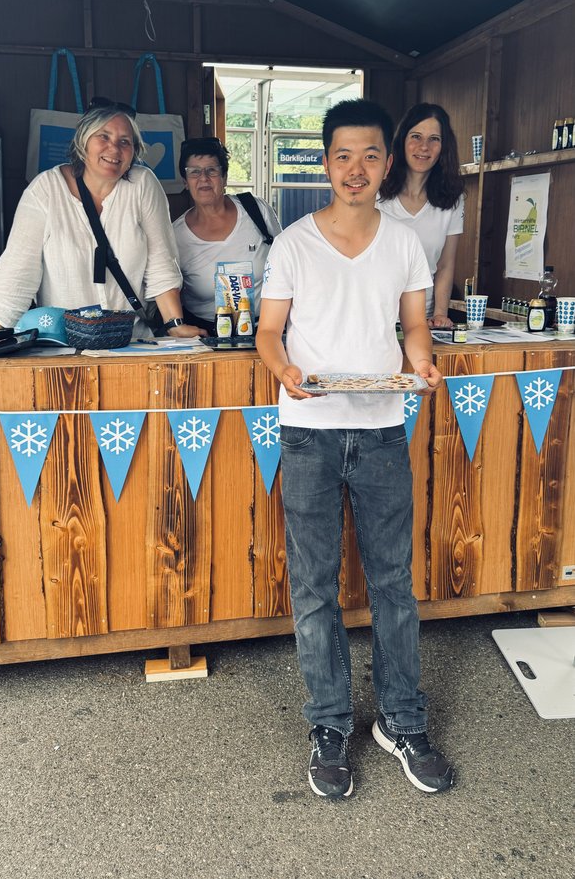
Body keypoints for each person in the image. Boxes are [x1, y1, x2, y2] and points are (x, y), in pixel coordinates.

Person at [256, 98, 454, 800]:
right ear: (325, 162)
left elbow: (413, 325)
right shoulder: (292, 243)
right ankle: (329, 723)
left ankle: (402, 720)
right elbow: (269, 331)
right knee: (314, 586)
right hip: (307, 429)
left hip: (380, 429)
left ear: (386, 162)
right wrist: (283, 369)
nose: (356, 168)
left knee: (392, 581)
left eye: (370, 155)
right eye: (343, 155)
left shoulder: (403, 242)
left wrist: (422, 361)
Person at [0, 99, 204, 339]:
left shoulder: (143, 184)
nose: (114, 149)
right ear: (83, 142)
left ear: (134, 151)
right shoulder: (46, 189)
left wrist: (175, 323)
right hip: (64, 343)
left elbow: (161, 260)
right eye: (104, 137)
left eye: (125, 141)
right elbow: (18, 271)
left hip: (131, 340)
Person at [173, 137, 281, 332]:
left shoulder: (257, 210)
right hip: (206, 334)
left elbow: (285, 263)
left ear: (224, 178)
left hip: (265, 329)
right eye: (194, 172)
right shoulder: (176, 235)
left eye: (212, 170)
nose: (204, 178)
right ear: (185, 182)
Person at [378, 102, 464, 329]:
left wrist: (440, 314)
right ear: (401, 141)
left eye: (434, 139)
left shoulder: (452, 199)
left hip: (422, 320)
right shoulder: (376, 193)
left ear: (444, 147)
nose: (424, 147)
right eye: (416, 136)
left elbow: (445, 264)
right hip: (376, 316)